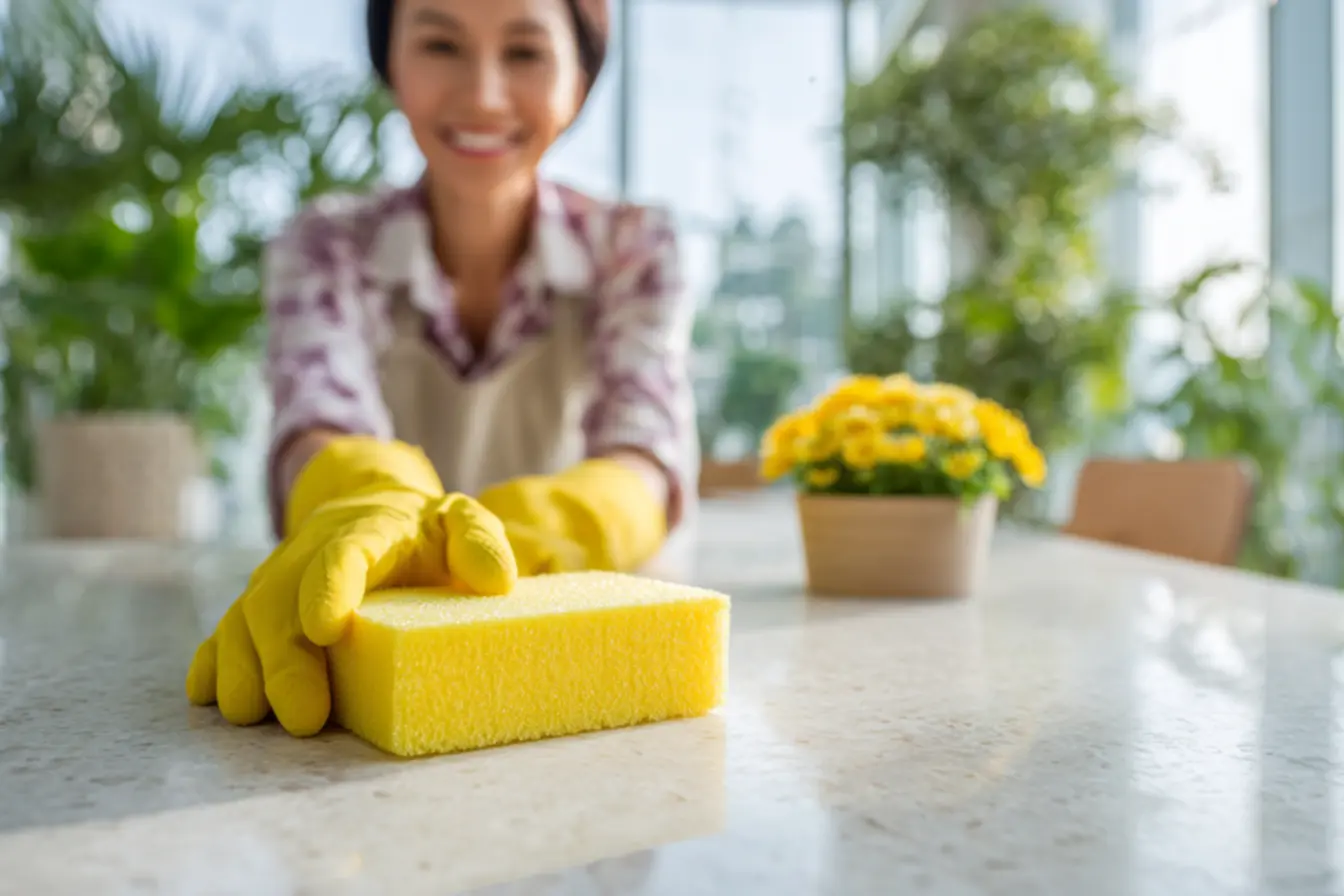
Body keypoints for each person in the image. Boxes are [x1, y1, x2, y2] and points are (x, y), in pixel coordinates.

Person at [184, 0, 698, 738]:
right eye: (439, 45)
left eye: (524, 53)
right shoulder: (325, 243)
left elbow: (643, 444)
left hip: (567, 665)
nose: (483, 95)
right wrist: (371, 506)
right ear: (392, 65)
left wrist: (540, 532)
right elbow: (315, 414)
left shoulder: (634, 246)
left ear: (579, 83)